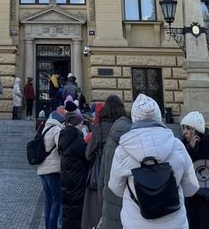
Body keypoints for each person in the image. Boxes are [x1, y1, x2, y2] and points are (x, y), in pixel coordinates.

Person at [108, 94, 199, 228]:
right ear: (158, 115)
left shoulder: (123, 150)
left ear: (134, 117)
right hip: (174, 223)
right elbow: (192, 187)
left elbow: (115, 188)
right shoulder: (177, 146)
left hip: (136, 223)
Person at [81, 96, 126, 229]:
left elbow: (88, 154)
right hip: (121, 176)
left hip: (100, 176)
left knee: (97, 214)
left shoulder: (99, 128)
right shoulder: (126, 127)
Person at [99, 104, 132, 229]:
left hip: (110, 198)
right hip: (131, 206)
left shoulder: (106, 132)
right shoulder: (136, 139)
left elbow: (103, 172)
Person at [59, 109, 89, 229]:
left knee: (68, 209)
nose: (82, 127)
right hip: (77, 180)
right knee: (76, 212)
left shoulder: (64, 135)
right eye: (81, 124)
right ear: (77, 125)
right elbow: (85, 155)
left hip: (66, 178)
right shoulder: (76, 137)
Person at [38, 110, 64, 229]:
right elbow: (61, 146)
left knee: (48, 201)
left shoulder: (45, 128)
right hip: (53, 170)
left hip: (42, 169)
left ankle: (48, 226)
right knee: (56, 200)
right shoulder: (56, 130)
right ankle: (52, 227)